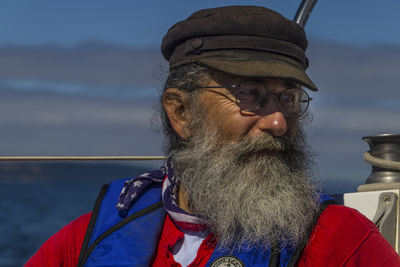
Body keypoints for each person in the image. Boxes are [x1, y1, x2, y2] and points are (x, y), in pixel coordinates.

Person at [26, 5, 400, 267]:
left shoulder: (339, 240)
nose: (278, 123)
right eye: (249, 95)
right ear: (181, 112)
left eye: (288, 98)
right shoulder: (92, 238)